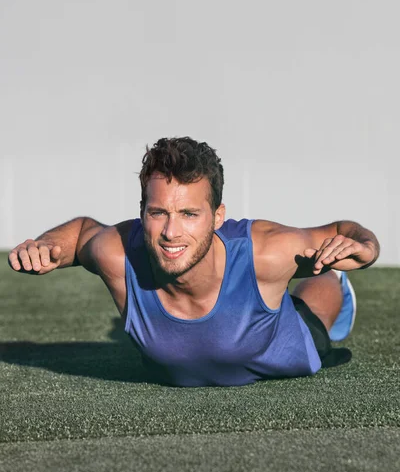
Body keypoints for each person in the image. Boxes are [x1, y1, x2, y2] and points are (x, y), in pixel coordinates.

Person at [8, 137, 380, 387]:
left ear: (217, 217)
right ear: (141, 212)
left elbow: (343, 230)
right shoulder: (118, 254)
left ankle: (336, 287)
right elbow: (82, 232)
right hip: (189, 357)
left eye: (189, 213)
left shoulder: (266, 251)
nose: (171, 232)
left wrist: (365, 249)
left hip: (282, 347)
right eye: (158, 213)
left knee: (319, 289)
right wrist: (46, 245)